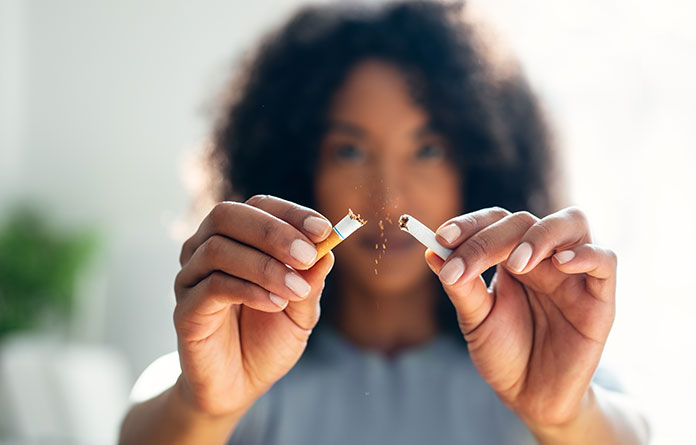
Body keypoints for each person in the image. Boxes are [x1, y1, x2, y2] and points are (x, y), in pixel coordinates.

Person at [119, 1, 650, 443]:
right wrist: (204, 411)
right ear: (302, 170)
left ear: (478, 165)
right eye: (350, 151)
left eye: (428, 149)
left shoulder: (539, 356)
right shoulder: (240, 360)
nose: (389, 197)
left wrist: (565, 417)